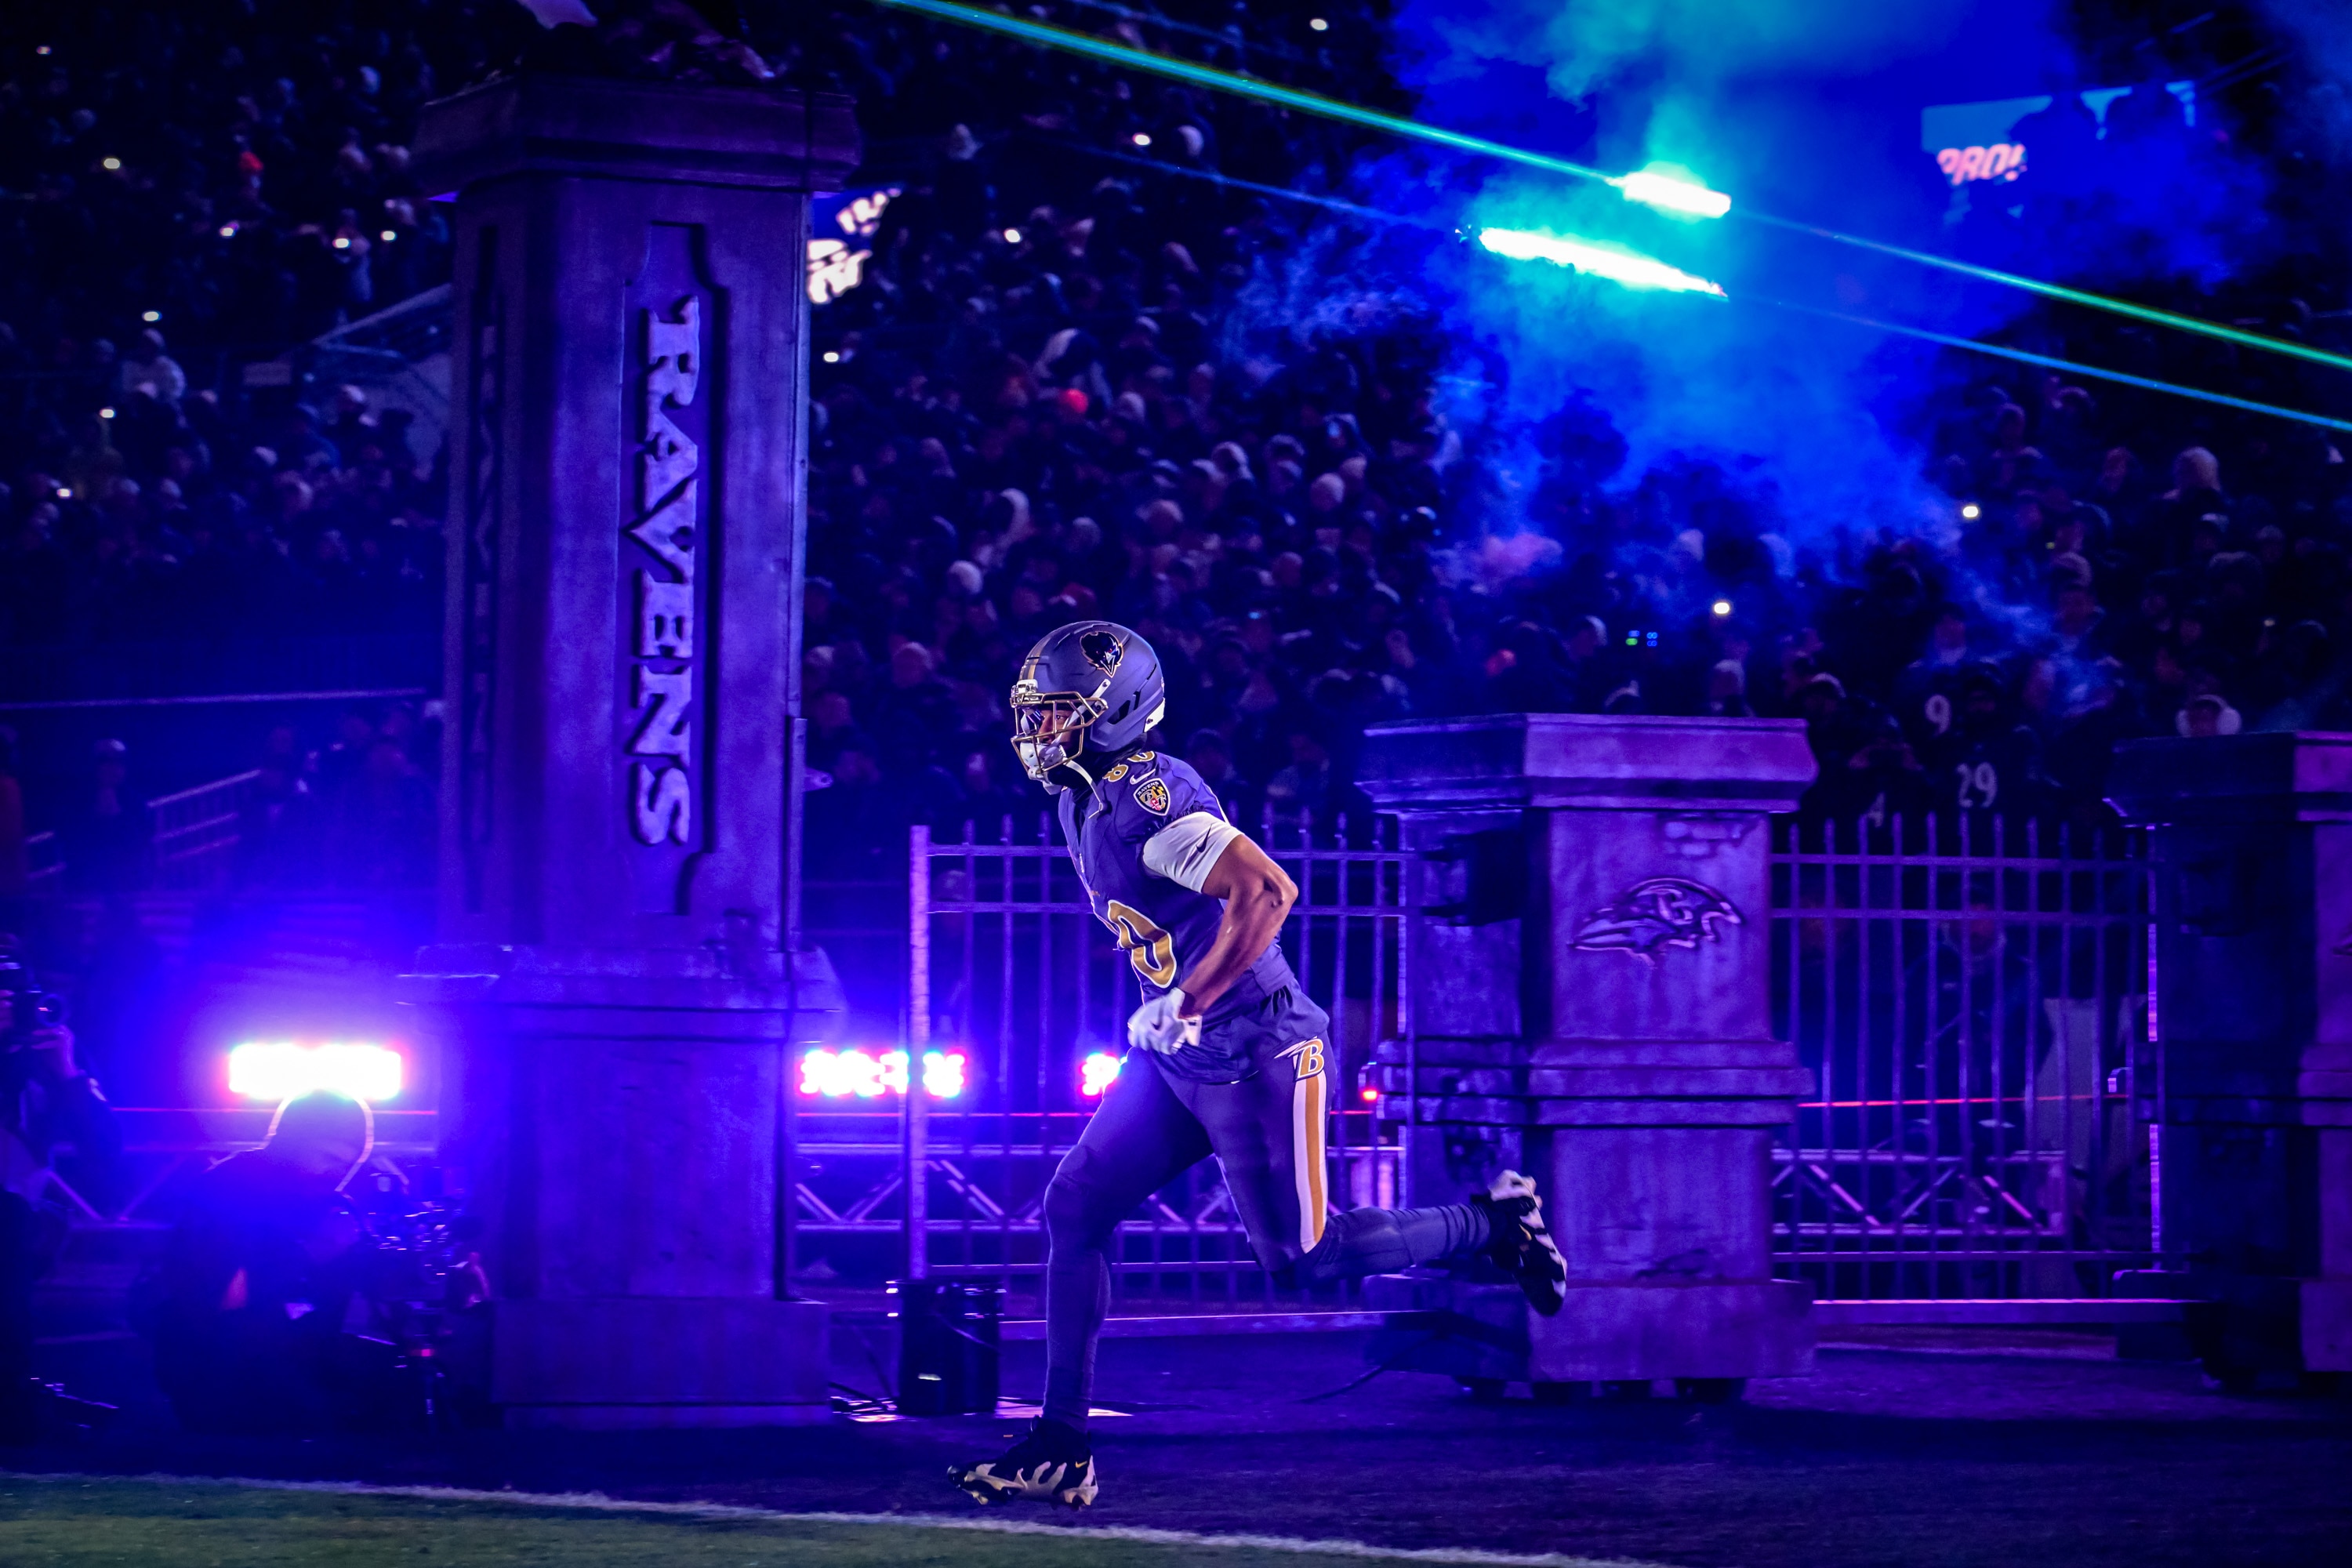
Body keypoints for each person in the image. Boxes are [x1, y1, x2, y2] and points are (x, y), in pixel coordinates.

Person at [951, 621, 1565, 1508]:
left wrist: (1187, 999)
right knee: (1076, 1203)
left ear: (1116, 713)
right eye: (1037, 713)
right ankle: (1062, 1442)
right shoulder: (1080, 799)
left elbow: (1270, 890)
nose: (1041, 732)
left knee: (1305, 1263)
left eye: (1062, 713)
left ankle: (1494, 1221)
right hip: (1182, 1056)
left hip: (1256, 1046)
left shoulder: (1147, 794)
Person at [151, 1091, 403, 1434]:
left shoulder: (328, 1203)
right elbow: (217, 1296)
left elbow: (372, 1276)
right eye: (328, 1157)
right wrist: (311, 1254)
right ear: (293, 1140)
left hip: (300, 1357)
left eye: (347, 1166)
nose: (336, 1174)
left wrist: (429, 1274)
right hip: (222, 1365)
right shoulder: (226, 1189)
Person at [1, 946, 121, 1443]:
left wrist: (69, 1074)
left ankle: (15, 1408)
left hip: (14, 1212)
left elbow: (106, 1149)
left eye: (15, 997)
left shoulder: (50, 1053)